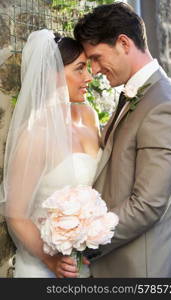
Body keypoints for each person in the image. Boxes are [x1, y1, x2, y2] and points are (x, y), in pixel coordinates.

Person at [73, 2, 171, 277]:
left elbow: (148, 204)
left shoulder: (165, 106)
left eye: (97, 57)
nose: (95, 70)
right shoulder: (135, 95)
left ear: (124, 43)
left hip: (139, 270)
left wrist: (81, 241)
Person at [2, 29, 101, 278]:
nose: (89, 76)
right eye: (79, 68)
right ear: (51, 74)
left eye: (88, 67)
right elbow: (15, 214)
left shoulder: (89, 116)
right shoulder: (36, 134)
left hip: (85, 265)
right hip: (44, 269)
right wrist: (51, 260)